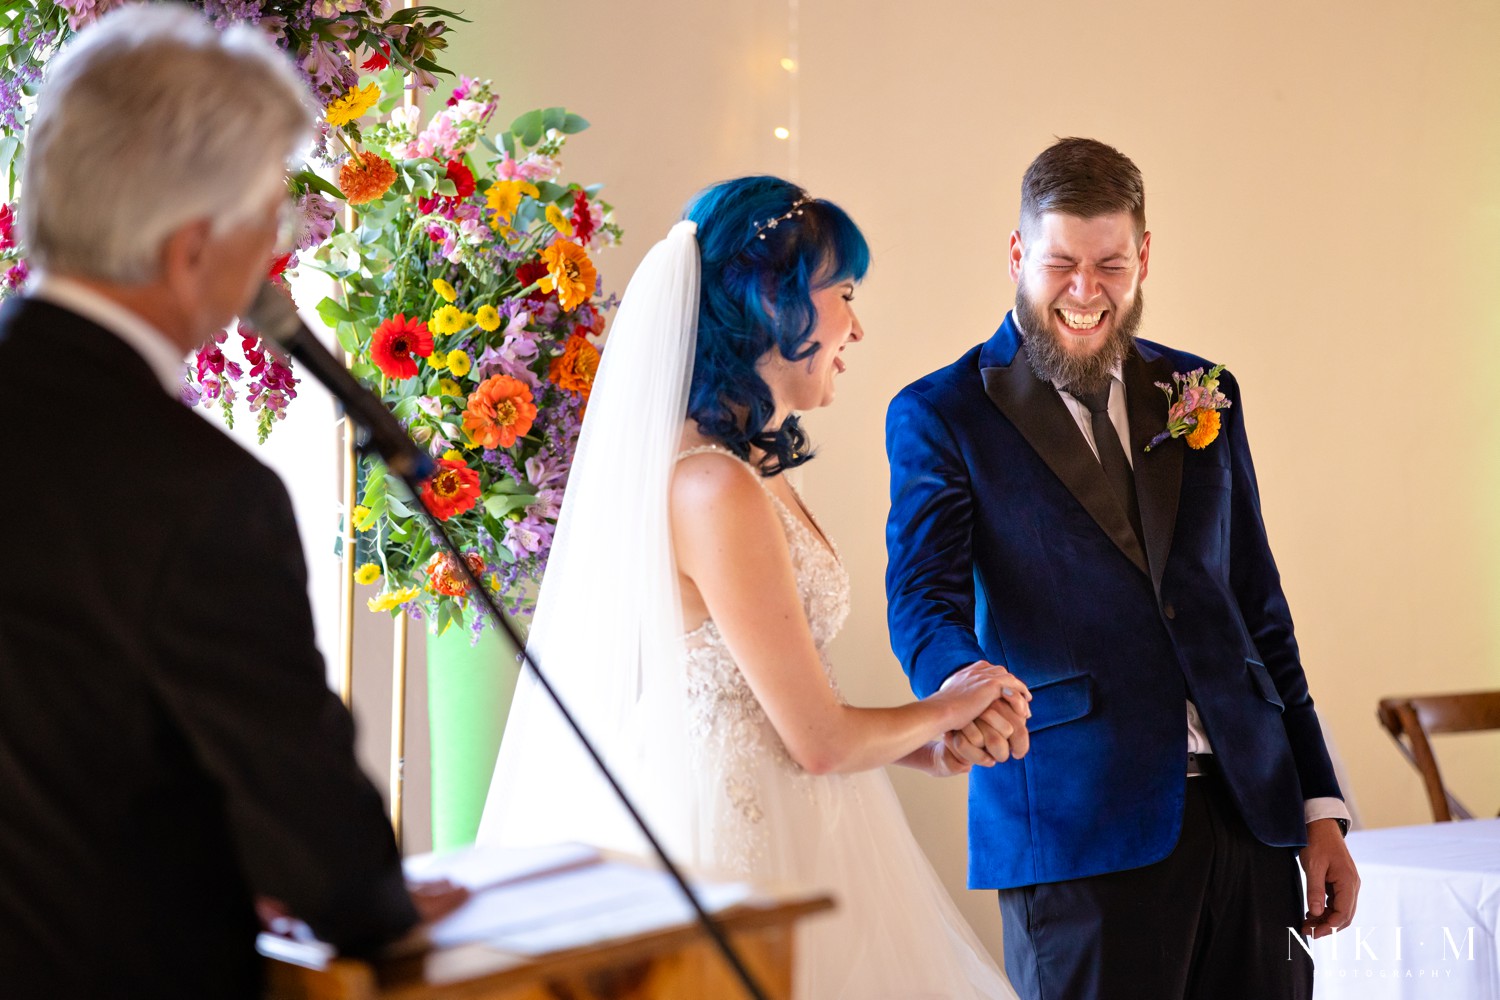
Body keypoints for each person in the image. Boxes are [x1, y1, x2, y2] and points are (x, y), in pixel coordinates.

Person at [0, 8, 460, 998]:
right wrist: (360, 892)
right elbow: (332, 868)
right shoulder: (201, 492)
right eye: (270, 216)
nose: (276, 248)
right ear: (191, 249)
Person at [479, 175, 1029, 997]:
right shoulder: (711, 488)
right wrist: (960, 698)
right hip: (733, 848)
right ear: (778, 306)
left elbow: (783, 708)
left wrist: (933, 746)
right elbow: (821, 739)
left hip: (808, 824)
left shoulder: (752, 470)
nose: (858, 326)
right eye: (844, 294)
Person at [884, 137, 1360, 1000]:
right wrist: (965, 683)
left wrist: (1318, 805)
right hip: (1076, 821)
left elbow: (1257, 603)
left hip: (1251, 820)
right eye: (1061, 262)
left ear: (1144, 257)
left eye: (1110, 264)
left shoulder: (1204, 389)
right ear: (1018, 254)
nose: (1085, 290)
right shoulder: (939, 413)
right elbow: (924, 596)